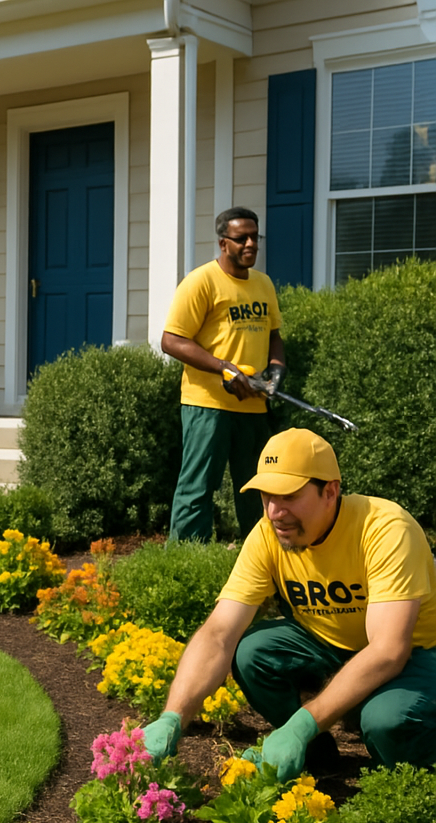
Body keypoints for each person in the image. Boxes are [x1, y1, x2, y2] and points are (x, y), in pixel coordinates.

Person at [142, 428, 436, 781]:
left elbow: (389, 650)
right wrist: (172, 717)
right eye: (266, 496)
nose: (274, 511)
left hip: (420, 654)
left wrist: (301, 722)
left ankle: (409, 782)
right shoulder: (269, 535)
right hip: (336, 645)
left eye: (289, 496)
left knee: (386, 720)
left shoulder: (385, 529)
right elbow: (219, 632)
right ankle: (312, 753)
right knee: (252, 652)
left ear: (330, 491)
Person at [161, 206, 286, 542]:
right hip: (207, 405)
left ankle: (259, 558)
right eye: (241, 238)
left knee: (257, 486)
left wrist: (276, 372)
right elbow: (171, 341)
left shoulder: (264, 284)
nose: (250, 244)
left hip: (253, 405)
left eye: (254, 237)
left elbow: (274, 335)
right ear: (222, 243)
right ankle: (187, 563)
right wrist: (224, 368)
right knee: (198, 487)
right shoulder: (201, 281)